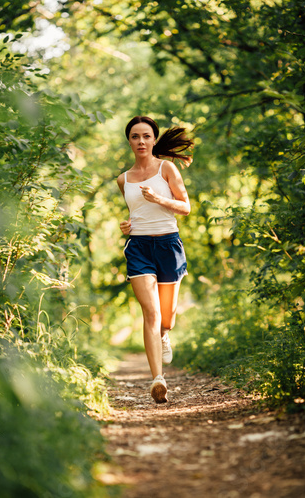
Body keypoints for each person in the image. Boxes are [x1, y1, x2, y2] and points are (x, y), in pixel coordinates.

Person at [117, 116, 193, 404]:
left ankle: (164, 335)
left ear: (154, 139)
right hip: (138, 247)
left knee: (166, 317)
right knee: (150, 312)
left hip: (168, 244)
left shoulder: (166, 168)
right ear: (129, 141)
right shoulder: (123, 179)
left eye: (146, 136)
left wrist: (160, 200)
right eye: (135, 137)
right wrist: (126, 225)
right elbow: (135, 213)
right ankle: (158, 380)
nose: (141, 142)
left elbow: (185, 207)